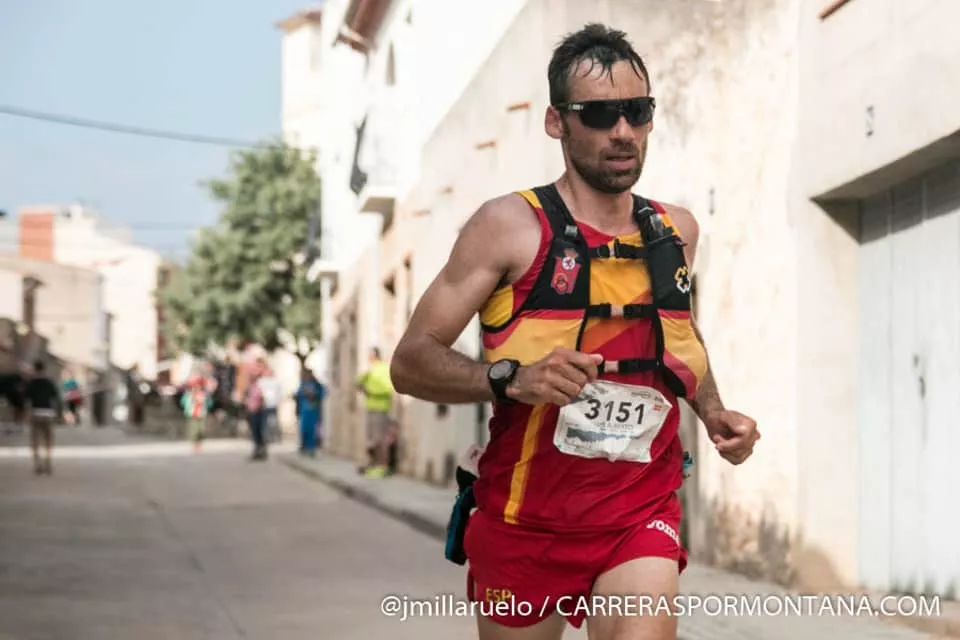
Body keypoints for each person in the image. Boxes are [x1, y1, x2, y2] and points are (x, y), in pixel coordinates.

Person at [389, 24, 760, 640]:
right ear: (556, 123)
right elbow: (410, 362)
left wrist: (715, 412)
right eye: (600, 115)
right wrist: (511, 379)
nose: (623, 131)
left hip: (639, 509)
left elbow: (679, 334)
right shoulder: (507, 227)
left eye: (637, 111)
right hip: (525, 518)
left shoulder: (676, 231)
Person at [356, 348, 395, 478]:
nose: (369, 358)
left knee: (380, 439)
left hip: (381, 408)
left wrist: (371, 392)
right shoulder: (371, 369)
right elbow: (358, 382)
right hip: (370, 408)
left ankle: (382, 467)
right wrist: (362, 382)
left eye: (370, 355)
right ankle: (373, 465)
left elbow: (388, 389)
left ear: (375, 355)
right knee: (371, 440)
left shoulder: (384, 369)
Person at [24, 360, 62, 475]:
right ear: (44, 369)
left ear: (35, 369)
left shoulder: (31, 383)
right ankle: (48, 462)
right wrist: (59, 415)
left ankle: (38, 464)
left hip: (35, 413)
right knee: (48, 440)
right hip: (48, 414)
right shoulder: (49, 382)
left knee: (35, 440)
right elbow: (56, 398)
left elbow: (26, 399)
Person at [295, 367, 326, 456]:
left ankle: (312, 448)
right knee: (304, 429)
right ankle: (304, 447)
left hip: (313, 410)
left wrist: (314, 395)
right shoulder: (303, 384)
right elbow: (298, 395)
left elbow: (322, 393)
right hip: (304, 411)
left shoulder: (317, 385)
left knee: (312, 430)